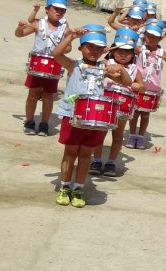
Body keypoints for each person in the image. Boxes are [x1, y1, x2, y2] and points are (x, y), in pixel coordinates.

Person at [52, 28, 132, 207]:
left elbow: (127, 83)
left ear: (104, 49)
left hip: (95, 120)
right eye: (90, 47)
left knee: (86, 155)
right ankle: (65, 187)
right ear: (81, 48)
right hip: (72, 116)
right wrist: (71, 36)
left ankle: (79, 188)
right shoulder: (74, 65)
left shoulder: (105, 68)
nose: (94, 51)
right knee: (70, 153)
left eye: (98, 48)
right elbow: (56, 54)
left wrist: (120, 68)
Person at [89, 28, 146, 176]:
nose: (123, 54)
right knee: (100, 133)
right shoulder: (104, 63)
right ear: (113, 51)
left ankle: (111, 162)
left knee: (118, 134)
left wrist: (138, 85)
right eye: (119, 50)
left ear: (133, 53)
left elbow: (142, 88)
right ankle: (96, 160)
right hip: (105, 103)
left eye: (127, 52)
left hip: (122, 106)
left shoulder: (135, 69)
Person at [14, 0, 70, 136]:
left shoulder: (65, 28)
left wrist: (67, 45)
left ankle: (44, 124)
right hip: (37, 65)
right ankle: (30, 121)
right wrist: (20, 27)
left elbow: (68, 47)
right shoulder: (38, 24)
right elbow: (19, 34)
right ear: (47, 9)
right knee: (33, 94)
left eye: (62, 10)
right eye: (55, 9)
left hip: (54, 66)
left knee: (48, 96)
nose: (59, 12)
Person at [127, 19, 166, 148]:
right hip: (137, 85)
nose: (151, 39)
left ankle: (141, 137)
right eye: (149, 36)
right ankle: (132, 135)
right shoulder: (139, 49)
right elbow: (130, 45)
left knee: (145, 114)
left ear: (160, 38)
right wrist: (132, 33)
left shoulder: (162, 53)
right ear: (144, 36)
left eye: (155, 37)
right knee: (134, 112)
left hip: (152, 88)